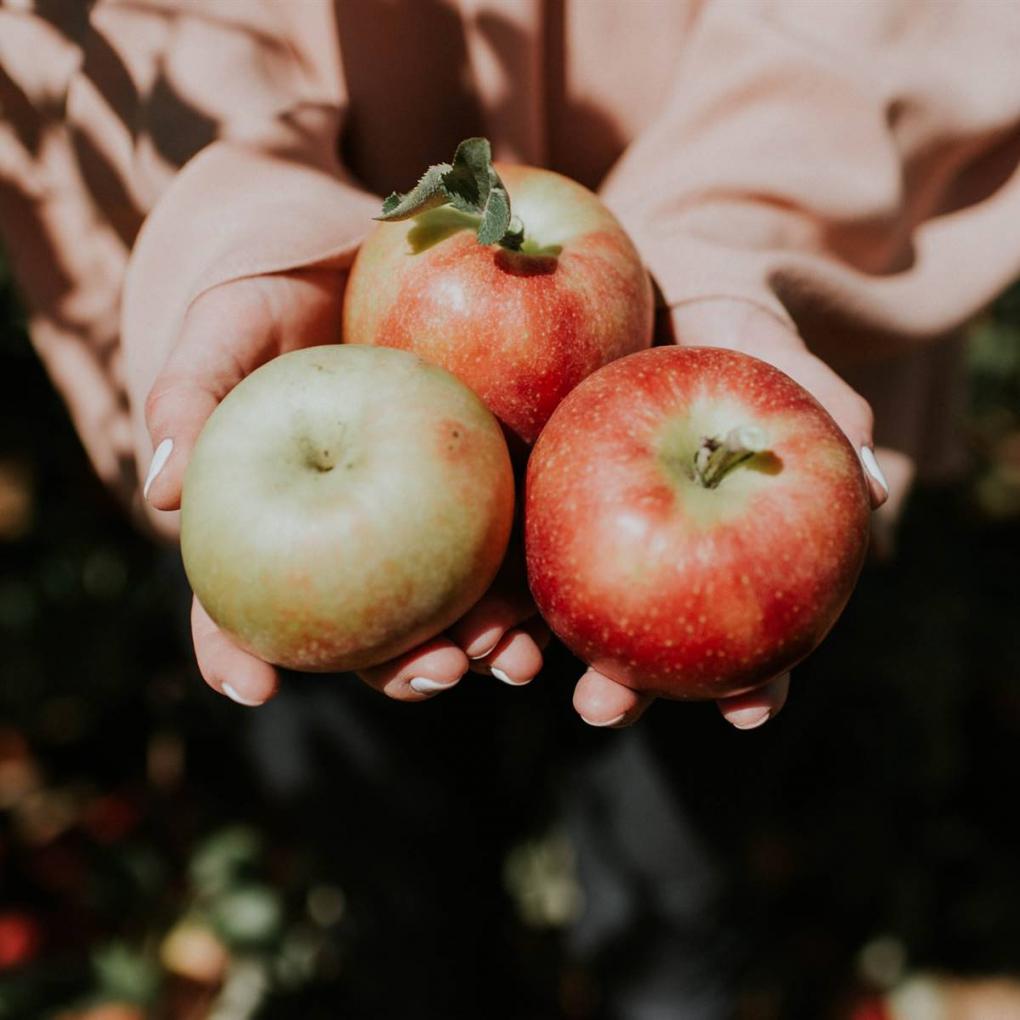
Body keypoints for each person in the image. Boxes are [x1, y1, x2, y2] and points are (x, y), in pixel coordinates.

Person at [3, 1, 1019, 1014]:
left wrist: (745, 217)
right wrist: (244, 207)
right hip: (321, 384)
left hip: (718, 357)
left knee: (680, 883)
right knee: (400, 881)